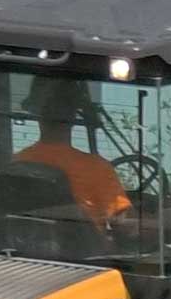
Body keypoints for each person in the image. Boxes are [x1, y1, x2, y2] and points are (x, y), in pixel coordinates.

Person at [11, 76, 132, 229]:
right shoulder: (96, 168)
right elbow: (123, 224)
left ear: (37, 114)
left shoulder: (18, 164)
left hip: (23, 249)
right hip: (87, 251)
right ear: (73, 115)